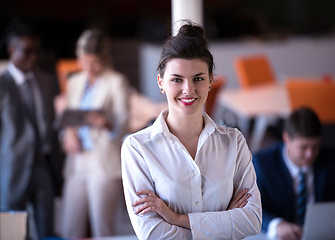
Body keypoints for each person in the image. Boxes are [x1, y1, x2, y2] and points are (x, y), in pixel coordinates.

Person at [121, 21, 262, 240]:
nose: (188, 90)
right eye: (177, 79)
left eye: (198, 79)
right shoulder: (137, 148)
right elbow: (152, 234)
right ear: (161, 82)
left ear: (210, 81)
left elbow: (252, 220)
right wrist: (224, 220)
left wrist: (177, 219)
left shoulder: (234, 142)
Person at [59, 28, 131, 238]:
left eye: (94, 63)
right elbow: (68, 118)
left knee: (102, 229)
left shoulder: (117, 82)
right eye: (84, 61)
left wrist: (107, 124)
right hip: (77, 160)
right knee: (69, 227)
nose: (89, 68)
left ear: (105, 58)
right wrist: (68, 133)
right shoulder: (74, 81)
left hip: (103, 162)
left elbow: (123, 125)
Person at [0, 19, 59, 239]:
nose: (34, 57)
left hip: (43, 165)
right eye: (28, 51)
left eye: (37, 52)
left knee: (45, 229)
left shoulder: (47, 80)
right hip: (11, 168)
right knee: (12, 231)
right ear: (12, 49)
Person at [252, 107, 335, 240]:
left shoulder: (330, 160)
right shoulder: (262, 164)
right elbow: (251, 208)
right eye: (303, 147)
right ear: (286, 138)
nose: (310, 154)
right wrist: (277, 225)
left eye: (315, 147)